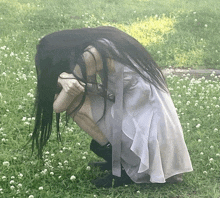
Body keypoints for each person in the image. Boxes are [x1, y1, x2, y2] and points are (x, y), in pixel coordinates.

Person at [32, 26, 193, 188]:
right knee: (81, 96)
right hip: (157, 131)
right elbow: (93, 88)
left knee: (75, 103)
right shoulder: (104, 43)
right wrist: (65, 79)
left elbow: (58, 106)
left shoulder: (90, 57)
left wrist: (62, 78)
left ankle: (121, 166)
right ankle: (118, 158)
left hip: (148, 137)